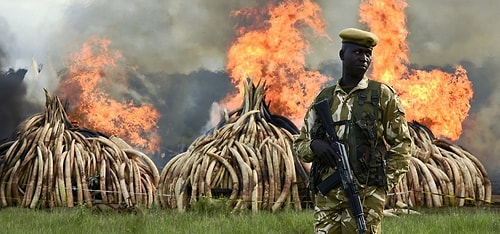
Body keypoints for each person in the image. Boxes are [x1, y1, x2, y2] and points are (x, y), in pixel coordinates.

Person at [293, 27, 412, 233]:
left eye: (368, 54)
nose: (364, 58)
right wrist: (314, 145)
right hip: (328, 200)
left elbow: (403, 145)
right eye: (357, 52)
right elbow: (300, 144)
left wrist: (383, 185)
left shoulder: (381, 95)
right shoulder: (324, 98)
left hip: (365, 198)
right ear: (342, 55)